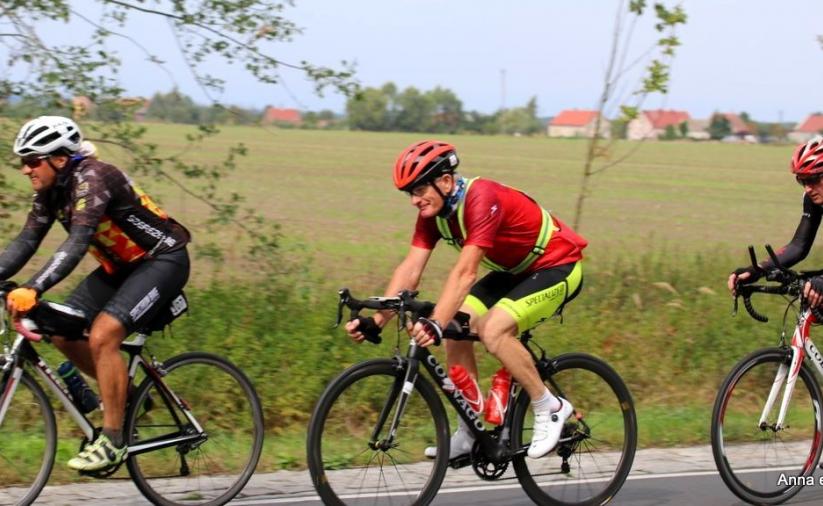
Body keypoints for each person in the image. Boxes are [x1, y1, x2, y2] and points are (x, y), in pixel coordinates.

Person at [345, 140, 588, 459]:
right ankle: (470, 432)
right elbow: (410, 268)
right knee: (454, 332)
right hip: (512, 271)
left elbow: (465, 273)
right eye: (410, 194)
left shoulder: (481, 198)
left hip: (556, 264)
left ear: (445, 181)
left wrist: (434, 322)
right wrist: (377, 321)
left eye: (420, 190)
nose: (415, 200)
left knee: (492, 330)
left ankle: (550, 406)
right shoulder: (433, 214)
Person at [2, 116, 191, 471]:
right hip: (118, 269)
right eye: (22, 162)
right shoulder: (50, 191)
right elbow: (27, 240)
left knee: (105, 334)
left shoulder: (94, 178)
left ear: (58, 158)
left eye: (31, 161)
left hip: (161, 260)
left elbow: (77, 242)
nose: (25, 170)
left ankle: (115, 440)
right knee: (59, 328)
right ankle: (130, 399)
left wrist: (34, 287)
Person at [729, 136, 823, 306]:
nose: (808, 188)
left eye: (814, 179)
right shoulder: (812, 199)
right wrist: (757, 270)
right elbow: (798, 246)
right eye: (802, 181)